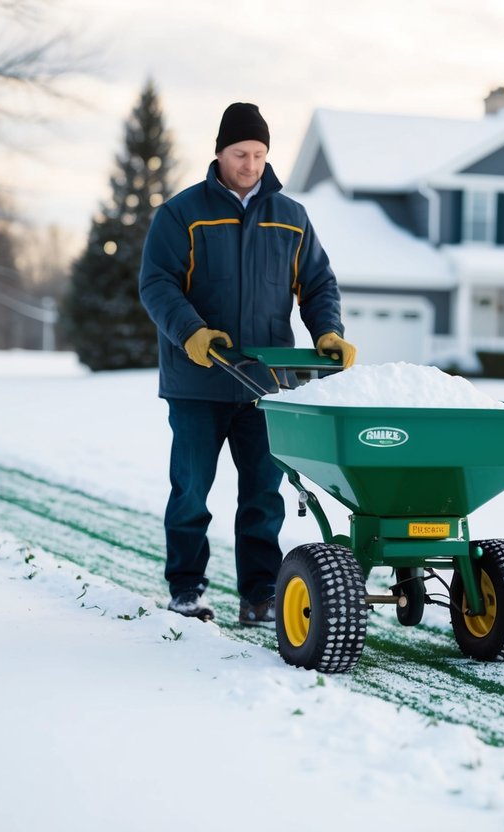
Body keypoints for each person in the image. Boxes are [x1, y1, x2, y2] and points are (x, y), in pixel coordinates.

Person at [139, 102, 355, 625]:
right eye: (242, 153)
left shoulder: (291, 217)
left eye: (260, 154)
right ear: (219, 152)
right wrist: (191, 332)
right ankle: (186, 589)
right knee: (191, 489)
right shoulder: (182, 214)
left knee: (263, 495)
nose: (252, 164)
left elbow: (319, 284)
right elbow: (157, 284)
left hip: (265, 382)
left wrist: (327, 331)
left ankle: (259, 594)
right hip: (198, 381)